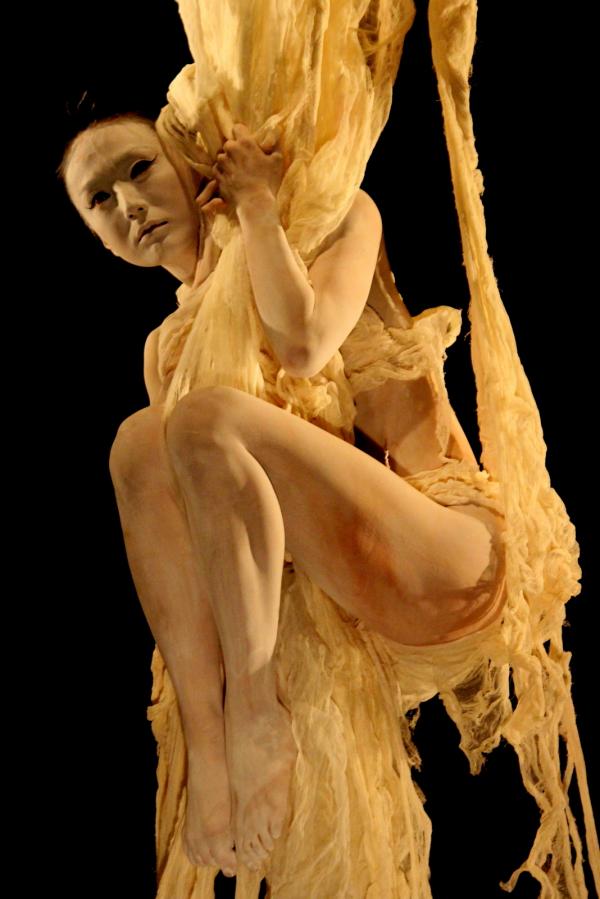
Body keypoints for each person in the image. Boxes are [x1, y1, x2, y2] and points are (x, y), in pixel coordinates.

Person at [61, 112, 508, 880]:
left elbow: (303, 342)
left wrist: (261, 209)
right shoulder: (165, 350)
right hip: (338, 589)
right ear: (97, 237)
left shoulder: (328, 218)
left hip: (442, 548)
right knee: (138, 441)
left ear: (190, 161)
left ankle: (255, 712)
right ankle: (213, 743)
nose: (128, 204)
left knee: (201, 421)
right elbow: (205, 552)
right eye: (99, 199)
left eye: (138, 169)